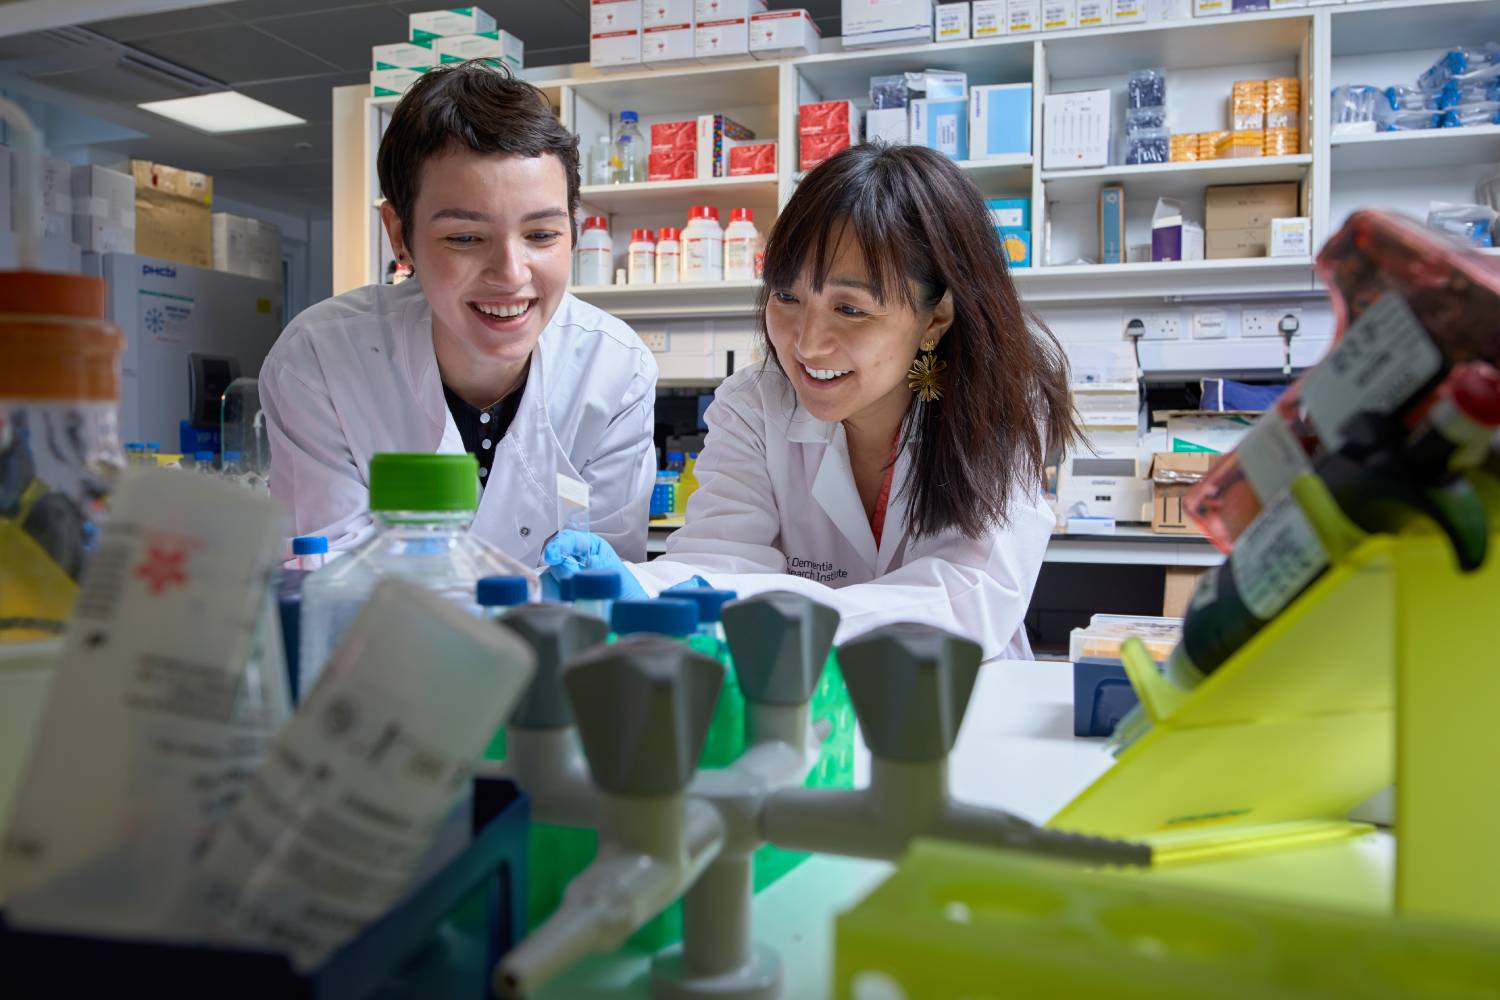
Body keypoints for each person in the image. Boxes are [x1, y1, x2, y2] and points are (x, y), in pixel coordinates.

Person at [545, 144, 1076, 659]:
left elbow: (967, 598)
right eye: (787, 297)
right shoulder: (752, 406)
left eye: (850, 309)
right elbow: (719, 562)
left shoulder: (997, 407)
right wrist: (637, 586)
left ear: (935, 317)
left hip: (958, 700)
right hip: (796, 696)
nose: (805, 344)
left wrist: (777, 613)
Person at [261, 61, 656, 562]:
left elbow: (609, 578)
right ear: (399, 234)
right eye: (465, 238)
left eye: (541, 235)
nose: (511, 273)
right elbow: (327, 571)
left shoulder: (615, 367)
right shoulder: (320, 358)